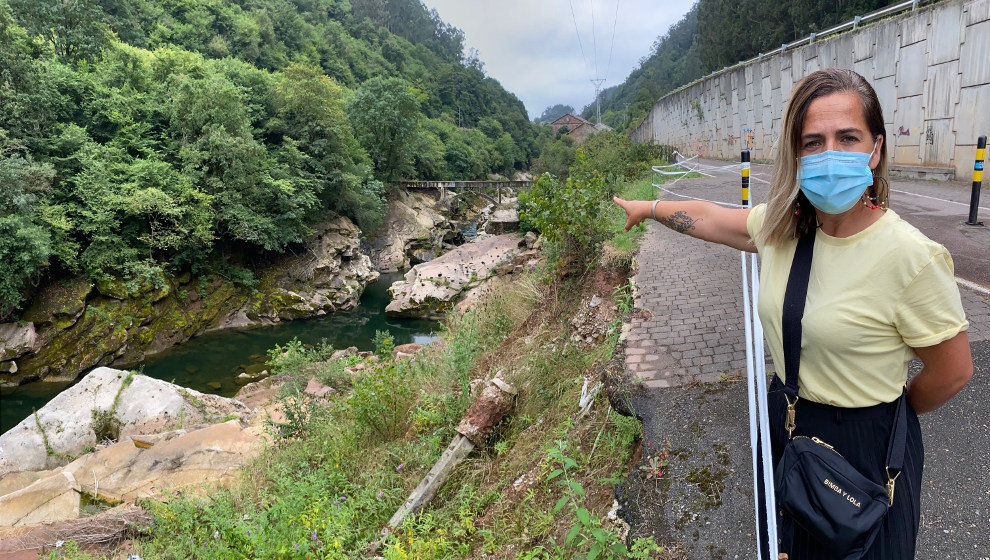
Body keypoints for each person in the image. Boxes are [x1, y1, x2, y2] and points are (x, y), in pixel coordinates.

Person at [612, 68, 973, 558]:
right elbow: (713, 218)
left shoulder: (911, 256)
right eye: (813, 142)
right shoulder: (784, 229)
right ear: (796, 154)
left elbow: (952, 372)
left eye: (848, 138)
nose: (830, 154)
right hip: (790, 425)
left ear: (876, 149)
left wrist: (888, 413)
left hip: (868, 448)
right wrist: (649, 207)